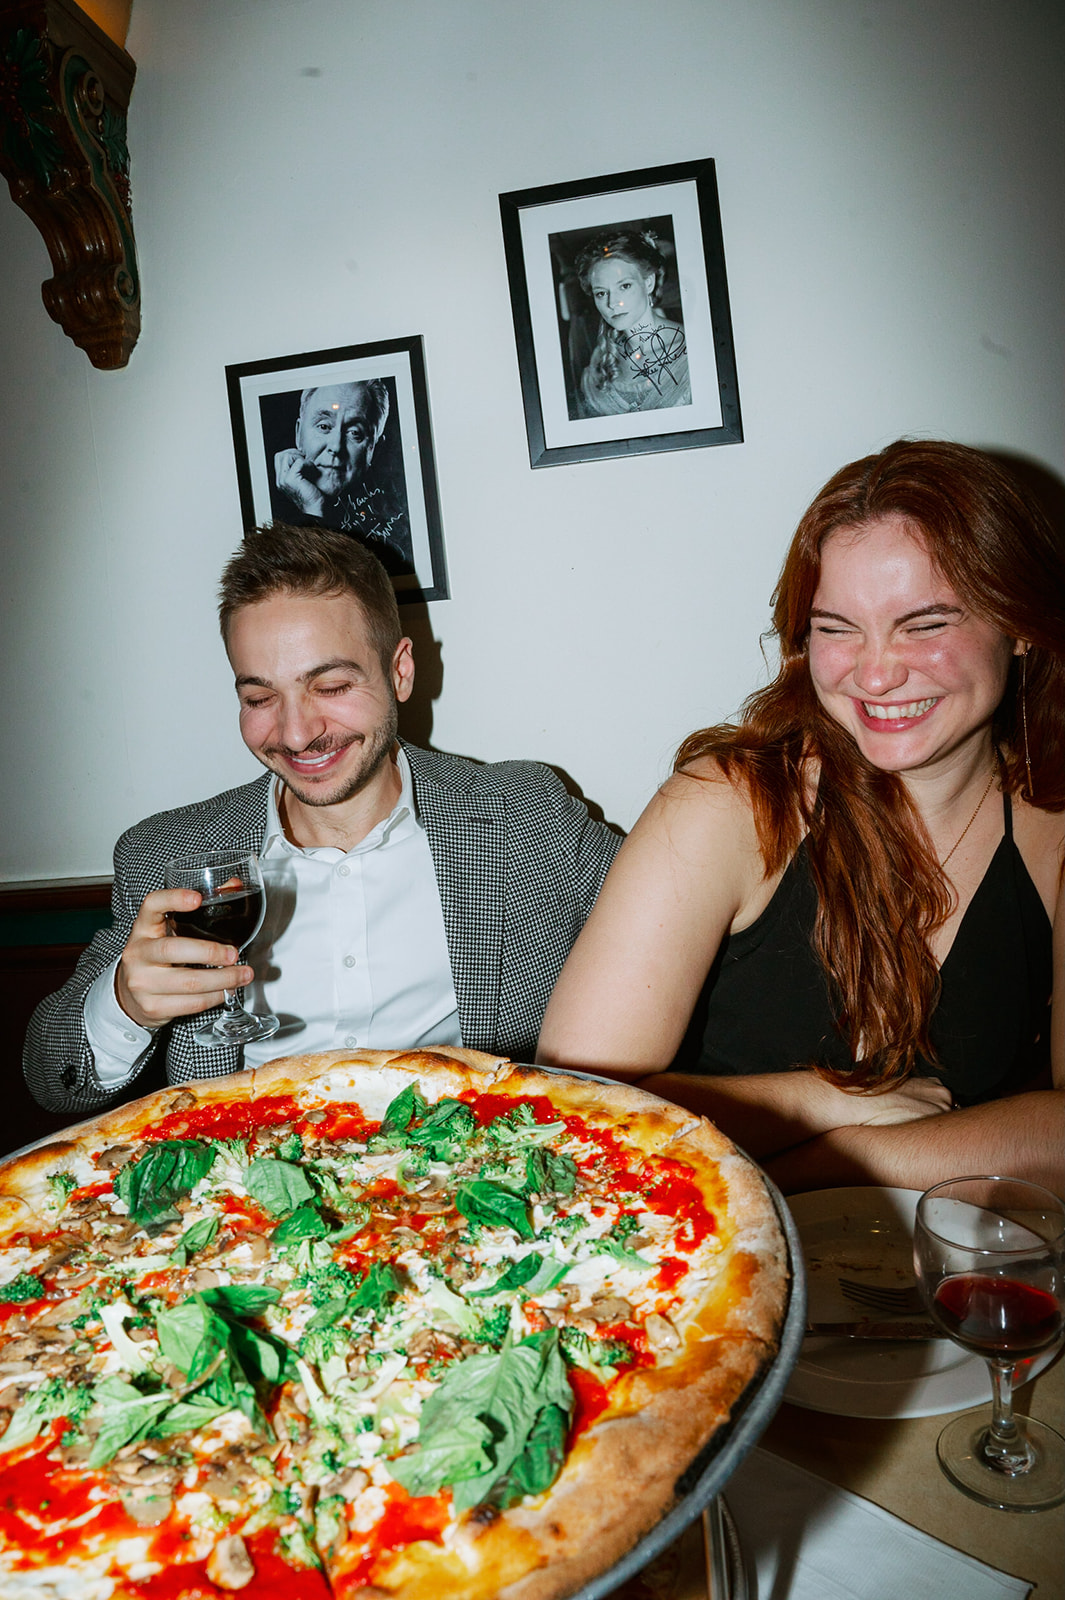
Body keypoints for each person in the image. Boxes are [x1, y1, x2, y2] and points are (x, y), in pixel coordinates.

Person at [539, 440, 1064, 1195]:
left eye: (923, 624)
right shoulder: (729, 805)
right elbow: (572, 1110)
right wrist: (825, 1099)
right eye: (835, 626)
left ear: (1017, 624)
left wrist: (840, 1161)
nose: (874, 671)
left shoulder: (1051, 830)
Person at [25, 525, 621, 1115]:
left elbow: (686, 902)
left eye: (330, 685)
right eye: (259, 698)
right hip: (249, 1194)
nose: (296, 733)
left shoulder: (524, 813)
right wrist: (125, 1003)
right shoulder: (165, 852)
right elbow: (51, 1076)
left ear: (400, 672)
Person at [271, 381, 413, 571]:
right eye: (323, 426)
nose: (336, 446)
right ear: (299, 435)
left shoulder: (398, 540)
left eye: (355, 432)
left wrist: (313, 509)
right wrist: (312, 508)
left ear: (374, 449)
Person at [573, 231, 691, 419]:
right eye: (601, 293)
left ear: (648, 283)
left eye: (624, 286)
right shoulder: (598, 361)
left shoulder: (691, 350)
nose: (612, 303)